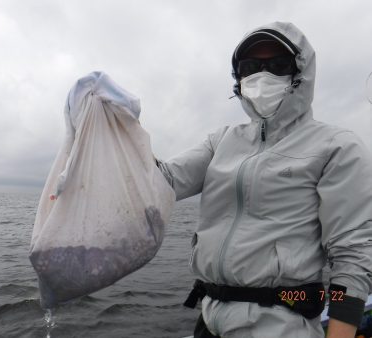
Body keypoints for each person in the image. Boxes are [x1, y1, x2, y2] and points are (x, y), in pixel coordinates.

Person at [156, 22, 372, 338]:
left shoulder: (337, 147)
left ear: (301, 72)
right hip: (210, 319)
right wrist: (111, 133)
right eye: (251, 67)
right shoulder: (221, 140)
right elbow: (162, 181)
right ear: (238, 79)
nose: (262, 75)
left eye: (278, 65)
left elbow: (353, 258)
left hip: (280, 326)